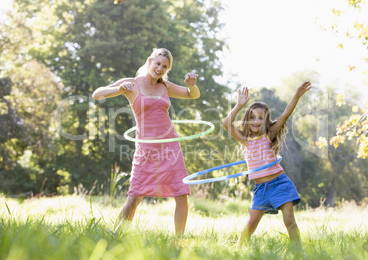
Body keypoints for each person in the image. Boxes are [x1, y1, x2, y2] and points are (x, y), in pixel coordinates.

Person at [92, 48, 200, 235]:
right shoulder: (132, 84)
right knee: (135, 196)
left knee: (181, 193)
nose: (160, 68)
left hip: (170, 145)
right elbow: (97, 94)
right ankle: (117, 233)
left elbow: (193, 95)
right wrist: (118, 89)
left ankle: (179, 240)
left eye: (165, 66)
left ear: (167, 69)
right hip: (146, 147)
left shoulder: (165, 86)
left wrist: (192, 85)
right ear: (150, 61)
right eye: (158, 63)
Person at [223, 81, 311, 249]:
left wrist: (297, 95)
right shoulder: (245, 140)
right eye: (252, 117)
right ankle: (238, 252)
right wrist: (239, 105)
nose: (256, 121)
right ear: (247, 120)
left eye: (260, 118)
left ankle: (298, 252)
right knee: (250, 224)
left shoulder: (268, 135)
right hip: (260, 190)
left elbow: (285, 114)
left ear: (266, 121)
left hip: (280, 184)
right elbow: (226, 124)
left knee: (289, 221)